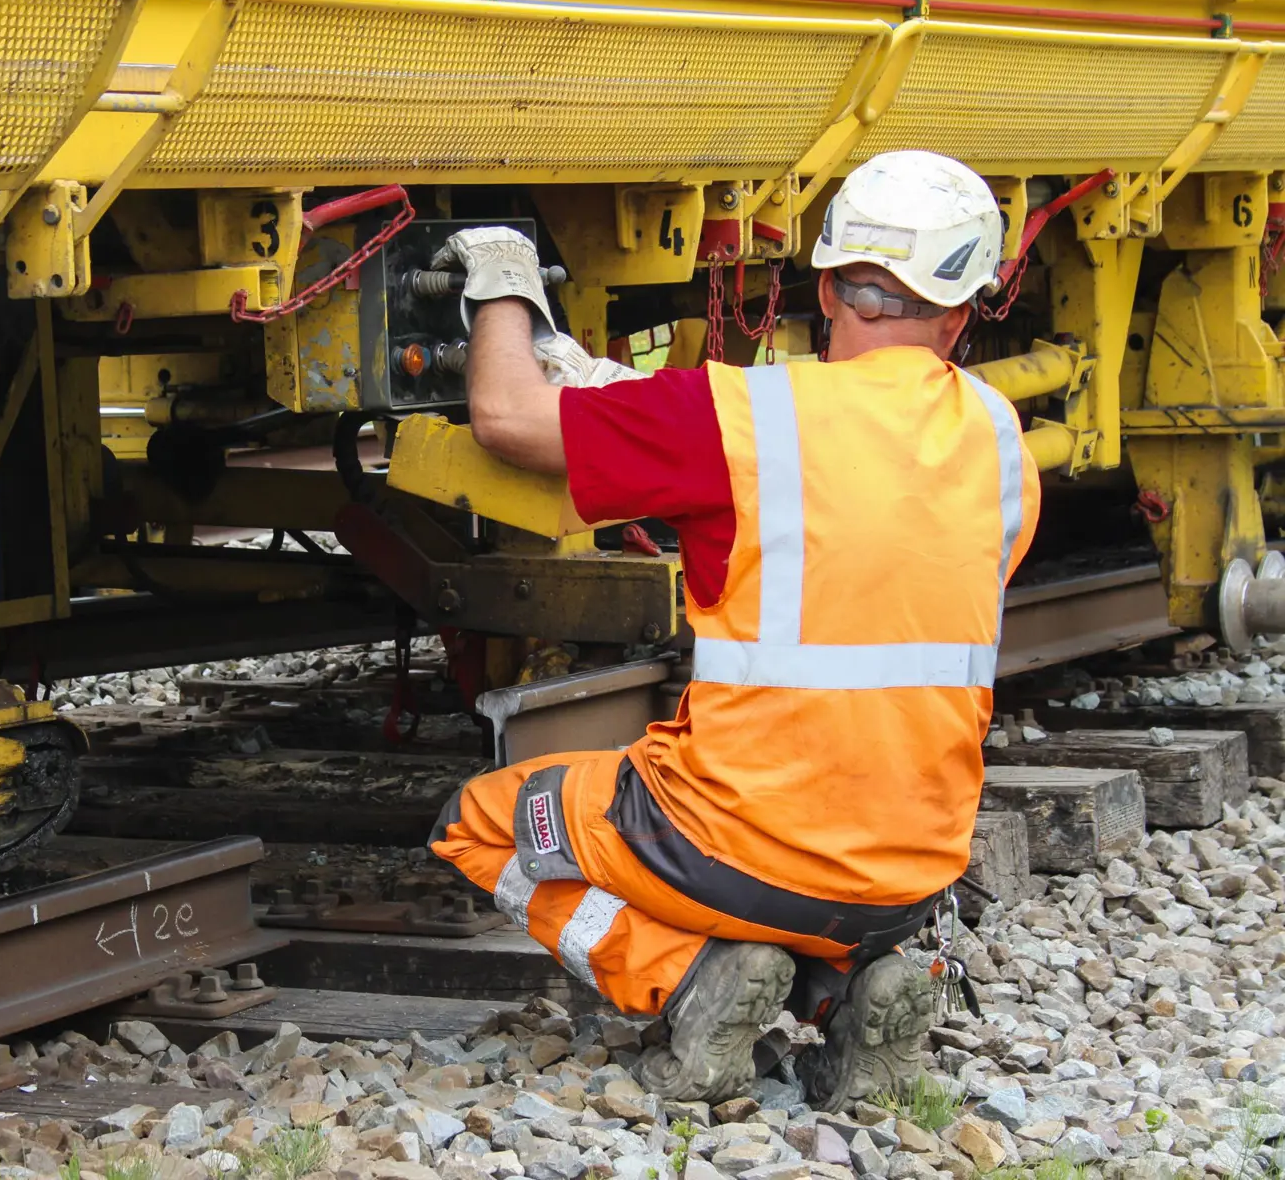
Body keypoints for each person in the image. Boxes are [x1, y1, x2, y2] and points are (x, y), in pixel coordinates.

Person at [427, 151, 1041, 1109]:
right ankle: (848, 992)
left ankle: (681, 973)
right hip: (911, 875)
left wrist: (502, 280)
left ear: (830, 285)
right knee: (814, 852)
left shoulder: (738, 417)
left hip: (722, 853)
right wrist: (623, 404)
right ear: (963, 312)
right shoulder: (1002, 446)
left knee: (481, 823)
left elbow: (506, 416)